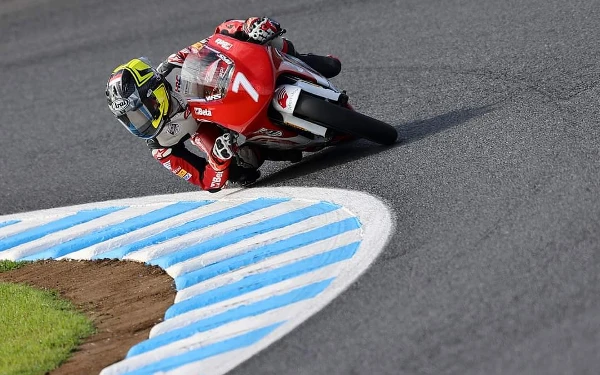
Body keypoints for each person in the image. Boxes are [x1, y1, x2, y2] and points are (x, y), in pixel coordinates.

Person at [105, 17, 341, 192]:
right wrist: (218, 161)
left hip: (224, 89)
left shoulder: (173, 65)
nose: (143, 120)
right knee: (241, 171)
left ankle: (302, 60)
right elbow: (206, 182)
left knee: (273, 42)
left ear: (155, 89)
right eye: (132, 118)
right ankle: (270, 146)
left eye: (144, 107)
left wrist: (248, 26)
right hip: (208, 125)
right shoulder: (160, 144)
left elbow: (218, 38)